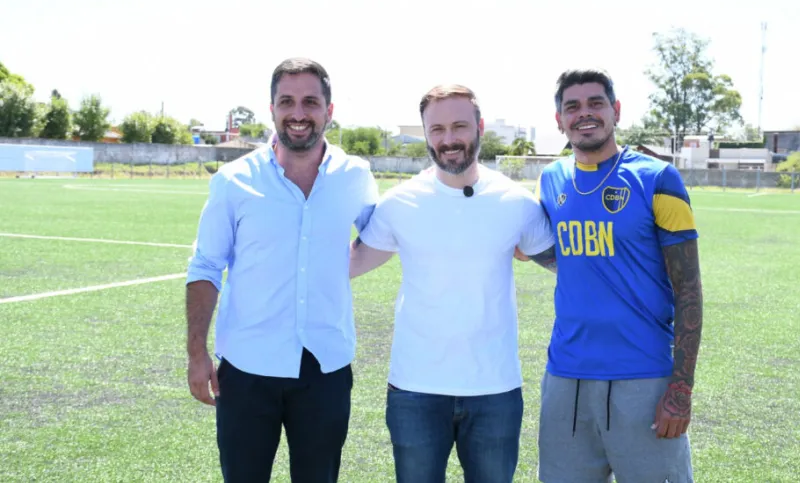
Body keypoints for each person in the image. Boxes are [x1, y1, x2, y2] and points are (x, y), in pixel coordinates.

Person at [348, 84, 557, 483]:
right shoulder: (399, 203)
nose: (449, 139)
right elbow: (351, 263)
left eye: (459, 126)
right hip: (415, 391)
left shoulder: (516, 203)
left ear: (479, 127)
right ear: (425, 134)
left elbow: (568, 267)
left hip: (495, 390)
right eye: (437, 129)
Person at [184, 57, 379, 483]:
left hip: (326, 368)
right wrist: (196, 353)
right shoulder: (234, 181)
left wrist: (333, 268)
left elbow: (379, 237)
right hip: (247, 369)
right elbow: (205, 266)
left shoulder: (355, 176)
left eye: (310, 101)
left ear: (329, 110)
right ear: (271, 108)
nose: (298, 113)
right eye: (286, 101)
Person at [531, 68, 703, 483]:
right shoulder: (551, 179)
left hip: (642, 379)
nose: (584, 113)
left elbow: (689, 291)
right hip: (565, 379)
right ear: (559, 120)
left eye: (596, 103)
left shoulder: (658, 179)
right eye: (572, 106)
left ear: (616, 111)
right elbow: (561, 254)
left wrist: (680, 390)